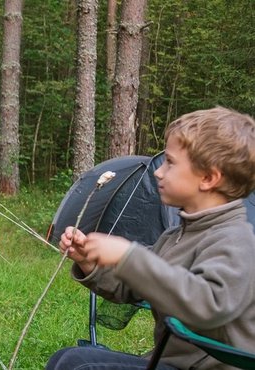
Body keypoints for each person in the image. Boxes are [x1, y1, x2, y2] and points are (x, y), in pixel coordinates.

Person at [47, 107, 255, 370]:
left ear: (208, 178)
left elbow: (208, 305)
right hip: (168, 362)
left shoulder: (235, 240)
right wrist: (89, 262)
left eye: (170, 162)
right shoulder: (177, 235)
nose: (158, 171)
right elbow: (131, 288)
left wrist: (128, 256)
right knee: (68, 359)